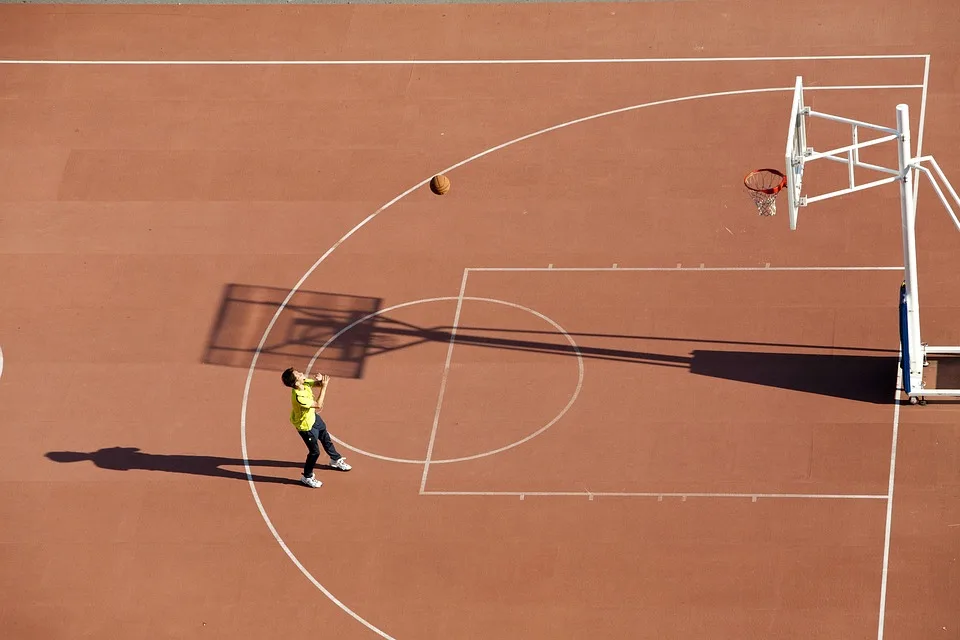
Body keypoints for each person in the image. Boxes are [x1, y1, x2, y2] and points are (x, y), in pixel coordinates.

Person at [281, 368, 351, 488]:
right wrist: (324, 387)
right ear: (296, 383)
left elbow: (318, 384)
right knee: (314, 452)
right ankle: (307, 477)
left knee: (326, 438)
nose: (301, 373)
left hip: (314, 418)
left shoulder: (303, 382)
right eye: (298, 374)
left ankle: (335, 459)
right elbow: (318, 404)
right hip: (306, 427)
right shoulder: (299, 397)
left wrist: (320, 381)